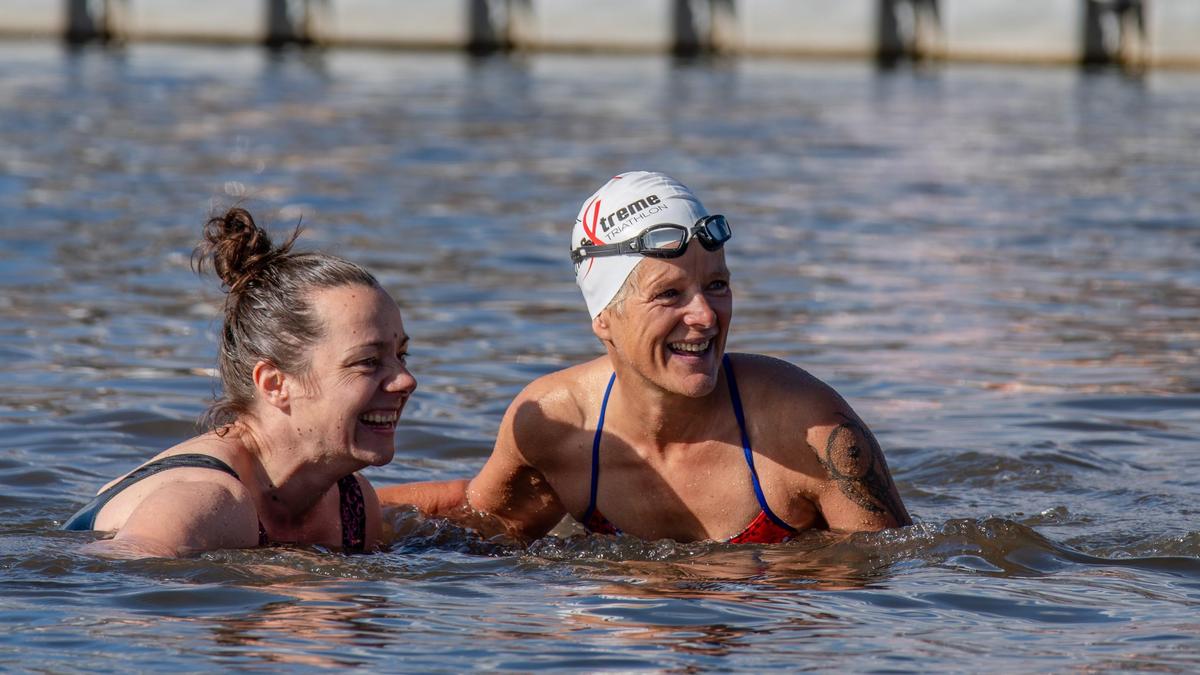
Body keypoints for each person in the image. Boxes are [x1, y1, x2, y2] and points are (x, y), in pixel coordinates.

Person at [380, 171, 910, 544]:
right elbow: (479, 519)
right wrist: (321, 504)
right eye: (669, 295)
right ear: (603, 318)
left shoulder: (807, 426)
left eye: (717, 284)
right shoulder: (558, 424)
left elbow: (886, 584)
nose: (705, 315)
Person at [63, 207, 416, 558]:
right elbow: (99, 585)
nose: (406, 380)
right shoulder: (205, 500)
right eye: (368, 362)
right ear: (275, 384)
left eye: (402, 356)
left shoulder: (353, 507)